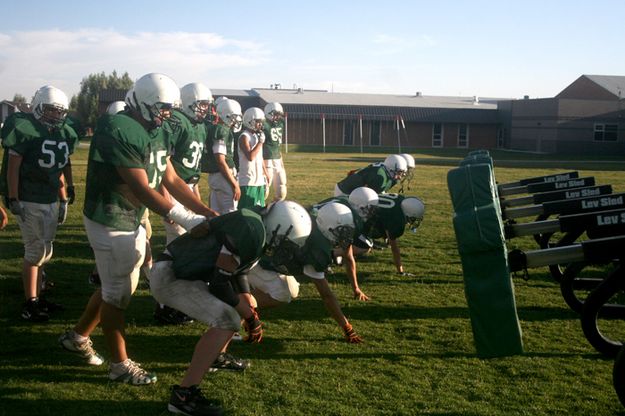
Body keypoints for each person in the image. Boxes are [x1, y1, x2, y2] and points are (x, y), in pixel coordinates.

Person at [58, 73, 218, 386]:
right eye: (160, 108)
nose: (165, 115)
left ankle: (77, 337)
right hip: (110, 218)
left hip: (131, 216)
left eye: (169, 109)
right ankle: (120, 365)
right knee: (117, 295)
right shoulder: (117, 127)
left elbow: (169, 177)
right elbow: (141, 187)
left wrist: (204, 210)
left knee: (116, 288)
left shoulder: (158, 128)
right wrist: (185, 218)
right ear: (140, 104)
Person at [149, 200, 312, 415]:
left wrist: (247, 302)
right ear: (278, 229)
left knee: (243, 306)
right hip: (171, 276)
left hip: (186, 274)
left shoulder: (257, 227)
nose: (284, 249)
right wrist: (249, 316)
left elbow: (238, 270)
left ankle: (216, 356)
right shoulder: (252, 230)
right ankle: (183, 395)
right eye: (285, 242)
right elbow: (219, 283)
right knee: (228, 320)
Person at [0, 85, 78, 321]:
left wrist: (66, 193)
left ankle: (39, 295)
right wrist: (13, 197)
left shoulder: (62, 132)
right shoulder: (25, 129)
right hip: (28, 197)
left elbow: (64, 164)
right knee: (35, 250)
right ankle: (30, 303)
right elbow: (13, 168)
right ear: (37, 107)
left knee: (45, 249)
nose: (55, 115)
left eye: (59, 111)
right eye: (50, 110)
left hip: (49, 196)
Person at [249, 201, 364, 343]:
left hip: (262, 254)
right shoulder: (318, 250)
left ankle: (242, 302)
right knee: (283, 292)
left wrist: (356, 288)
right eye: (342, 230)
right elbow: (326, 295)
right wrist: (347, 326)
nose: (345, 235)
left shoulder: (315, 221)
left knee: (291, 289)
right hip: (256, 259)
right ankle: (238, 307)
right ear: (329, 227)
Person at [154, 82, 213, 325]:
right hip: (172, 188)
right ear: (188, 101)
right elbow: (161, 166)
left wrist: (196, 197)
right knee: (178, 248)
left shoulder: (198, 126)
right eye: (201, 104)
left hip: (187, 187)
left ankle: (176, 302)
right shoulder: (176, 122)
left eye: (207, 106)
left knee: (186, 247)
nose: (205, 110)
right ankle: (165, 305)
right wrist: (167, 202)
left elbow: (193, 170)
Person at [312, 187, 379, 301]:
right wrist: (356, 288)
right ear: (360, 206)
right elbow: (348, 257)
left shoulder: (345, 201)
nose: (372, 211)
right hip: (312, 227)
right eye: (370, 208)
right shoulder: (350, 219)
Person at [363, 193, 425, 276]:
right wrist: (400, 271)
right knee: (364, 247)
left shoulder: (401, 199)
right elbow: (394, 249)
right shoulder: (396, 219)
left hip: (360, 200)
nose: (413, 221)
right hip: (357, 215)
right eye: (412, 219)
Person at [203, 98, 242, 214]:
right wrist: (234, 184)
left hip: (216, 176)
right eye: (234, 116)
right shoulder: (221, 130)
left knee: (216, 212)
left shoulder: (215, 128)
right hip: (224, 176)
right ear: (226, 115)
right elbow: (220, 160)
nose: (237, 120)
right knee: (230, 212)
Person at [237, 107, 269, 210]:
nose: (260, 124)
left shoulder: (257, 135)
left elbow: (260, 157)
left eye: (261, 122)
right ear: (250, 121)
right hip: (248, 180)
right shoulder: (244, 136)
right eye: (258, 122)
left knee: (259, 209)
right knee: (246, 210)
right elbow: (250, 156)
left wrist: (265, 172)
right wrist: (260, 142)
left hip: (259, 179)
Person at [334, 154, 407, 197]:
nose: (400, 177)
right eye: (398, 173)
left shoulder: (385, 169)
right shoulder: (380, 176)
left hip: (353, 188)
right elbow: (370, 196)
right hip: (345, 191)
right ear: (391, 168)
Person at [262, 102, 287, 202]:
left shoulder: (280, 124)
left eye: (278, 114)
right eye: (275, 114)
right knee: (264, 189)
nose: (277, 117)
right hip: (266, 159)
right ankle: (259, 209)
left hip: (277, 158)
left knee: (282, 188)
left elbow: (277, 144)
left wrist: (282, 162)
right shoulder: (263, 124)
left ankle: (274, 208)